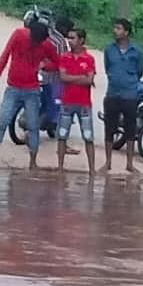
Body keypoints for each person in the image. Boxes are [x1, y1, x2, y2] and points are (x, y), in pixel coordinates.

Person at [0, 7, 50, 170]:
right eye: (35, 41)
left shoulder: (45, 44)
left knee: (32, 125)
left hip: (32, 90)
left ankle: (33, 161)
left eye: (38, 43)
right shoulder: (19, 34)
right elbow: (6, 53)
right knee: (2, 120)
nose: (35, 44)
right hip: (14, 87)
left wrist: (45, 65)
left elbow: (57, 61)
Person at [52, 16, 105, 175]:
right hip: (68, 101)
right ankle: (60, 167)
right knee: (62, 136)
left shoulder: (89, 58)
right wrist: (81, 78)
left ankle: (91, 169)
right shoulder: (65, 57)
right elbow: (64, 78)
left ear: (81, 40)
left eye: (72, 38)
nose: (69, 41)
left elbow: (87, 80)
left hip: (83, 103)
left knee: (88, 137)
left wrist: (73, 79)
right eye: (69, 38)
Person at [101, 15, 143, 166]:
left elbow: (139, 71)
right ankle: (108, 162)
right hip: (113, 93)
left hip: (130, 95)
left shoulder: (137, 52)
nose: (115, 31)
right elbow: (108, 68)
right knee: (110, 129)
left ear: (126, 32)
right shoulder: (109, 50)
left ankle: (129, 164)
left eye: (119, 28)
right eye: (115, 28)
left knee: (130, 130)